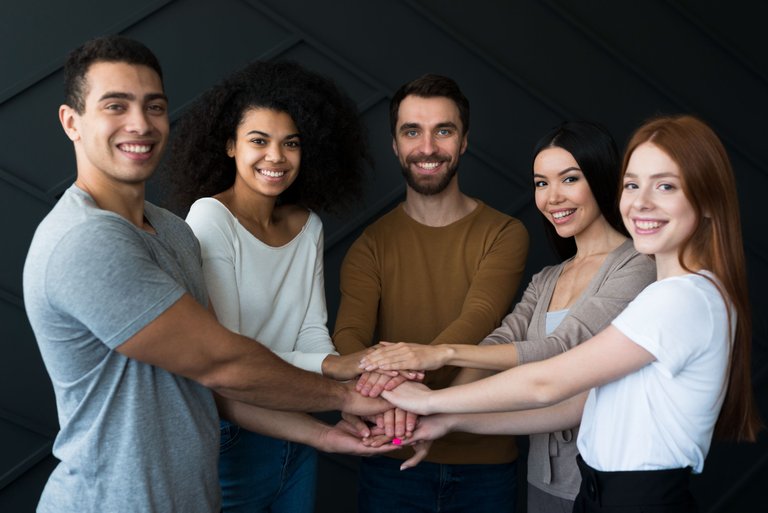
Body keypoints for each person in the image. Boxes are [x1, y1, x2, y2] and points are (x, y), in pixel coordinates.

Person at [22, 35, 392, 513]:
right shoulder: (85, 239)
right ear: (72, 122)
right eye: (116, 105)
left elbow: (218, 392)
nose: (139, 123)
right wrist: (348, 395)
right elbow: (224, 364)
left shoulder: (174, 232)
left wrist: (325, 435)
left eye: (153, 107)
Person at [381, 114, 762, 513]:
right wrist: (448, 422)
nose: (641, 202)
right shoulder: (674, 295)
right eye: (632, 185)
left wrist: (428, 397)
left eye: (665, 186)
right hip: (599, 492)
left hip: (637, 499)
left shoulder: (681, 299)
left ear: (708, 200)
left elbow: (546, 382)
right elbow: (574, 406)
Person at [359, 121, 656, 512]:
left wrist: (440, 356)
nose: (553, 197)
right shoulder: (548, 278)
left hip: (606, 480)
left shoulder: (638, 266)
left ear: (601, 178)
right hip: (543, 477)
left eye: (569, 179)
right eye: (540, 183)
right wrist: (430, 407)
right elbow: (501, 343)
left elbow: (561, 349)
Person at [166, 60, 372, 512]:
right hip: (235, 433)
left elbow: (311, 329)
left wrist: (339, 367)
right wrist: (337, 370)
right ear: (229, 146)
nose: (276, 157)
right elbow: (231, 354)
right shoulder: (210, 218)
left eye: (291, 143)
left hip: (299, 422)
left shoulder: (309, 226)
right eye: (259, 141)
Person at [333, 74, 530, 512]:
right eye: (411, 132)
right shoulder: (371, 244)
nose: (427, 147)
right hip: (392, 456)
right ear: (395, 145)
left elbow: (475, 323)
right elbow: (349, 337)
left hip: (485, 461)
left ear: (464, 142)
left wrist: (397, 389)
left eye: (443, 130)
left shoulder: (504, 232)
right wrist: (395, 400)